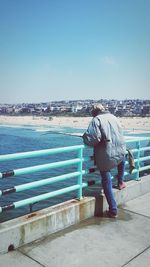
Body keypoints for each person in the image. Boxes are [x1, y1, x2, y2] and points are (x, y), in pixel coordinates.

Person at [82, 103, 126, 218]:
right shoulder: (114, 117)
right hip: (120, 150)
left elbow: (94, 139)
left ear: (94, 112)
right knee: (121, 161)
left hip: (106, 154)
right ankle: (121, 182)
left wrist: (85, 138)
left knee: (106, 181)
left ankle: (113, 209)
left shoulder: (96, 120)